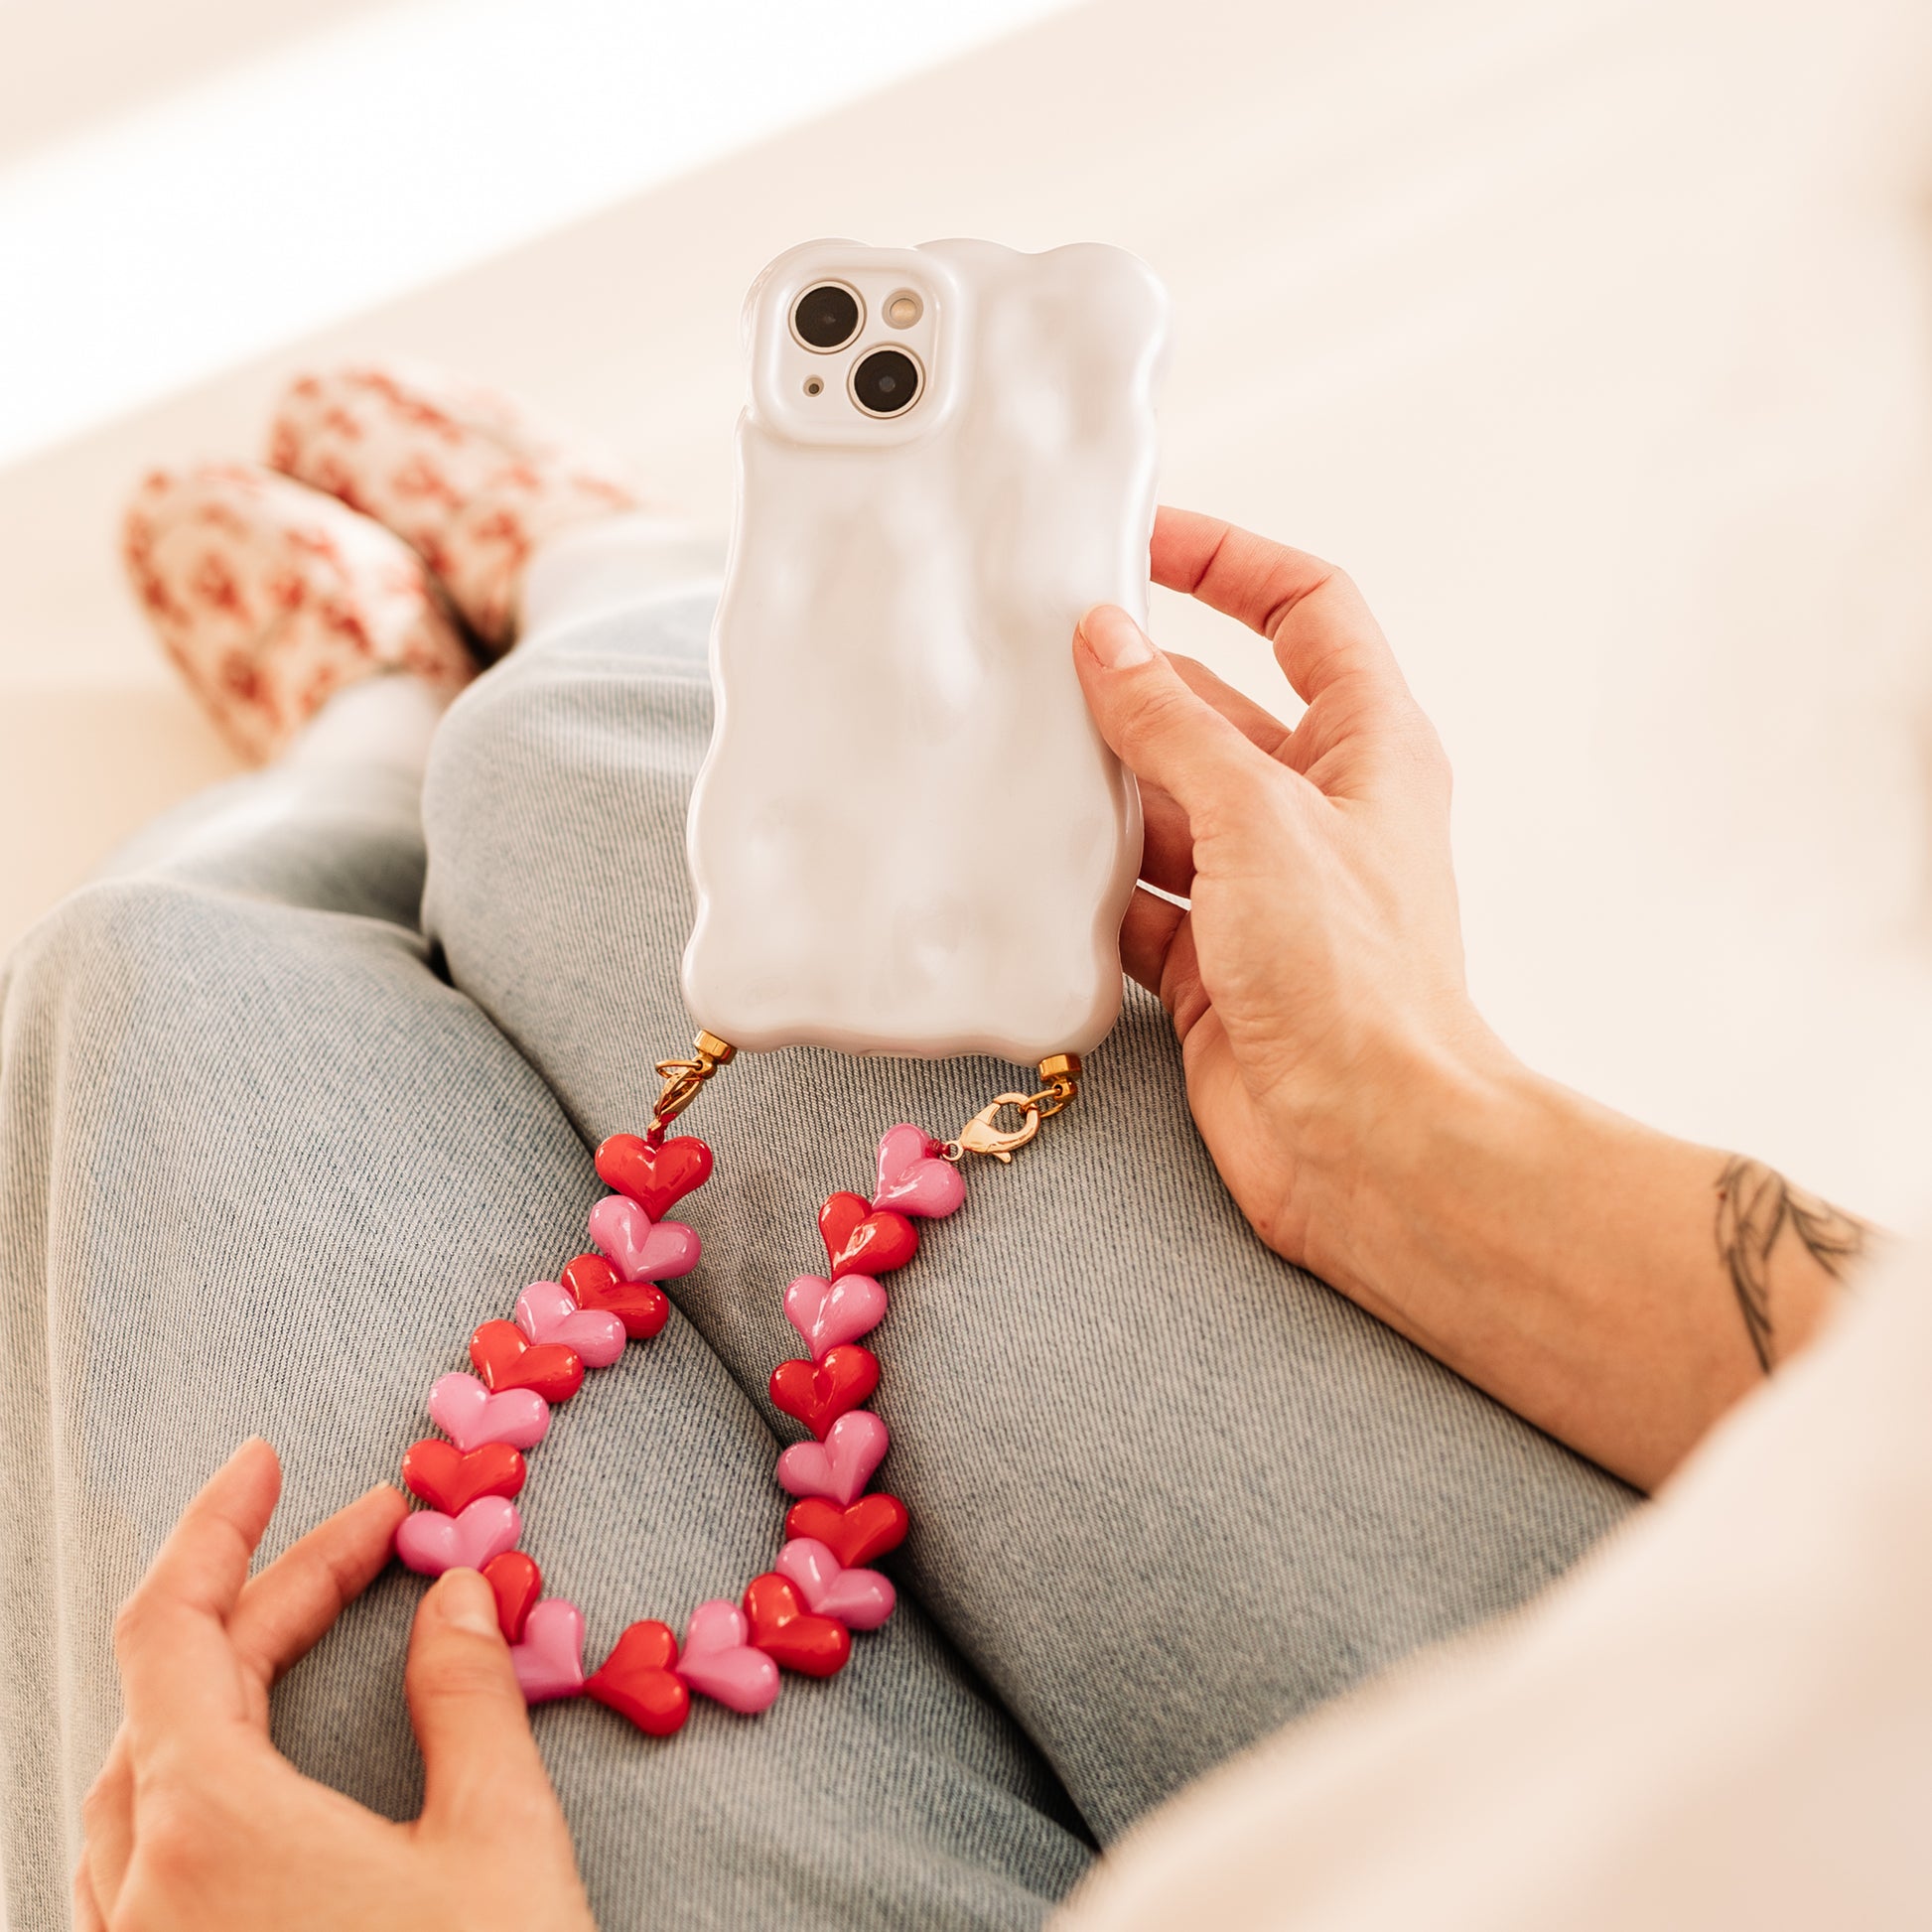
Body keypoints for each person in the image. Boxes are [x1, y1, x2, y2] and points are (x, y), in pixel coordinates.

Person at [0, 365, 1883, 1932]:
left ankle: (351, 759)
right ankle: (587, 606)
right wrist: (1422, 1124)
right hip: (1727, 1690)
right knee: (589, 769)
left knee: (155, 977)